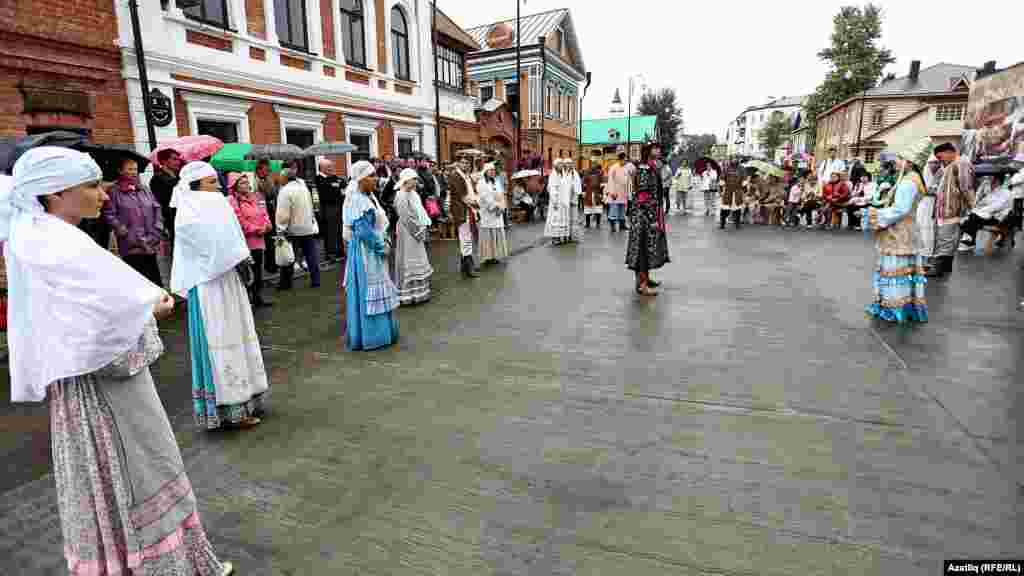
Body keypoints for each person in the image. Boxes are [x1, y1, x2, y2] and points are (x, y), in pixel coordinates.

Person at [2, 148, 234, 575]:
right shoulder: (54, 240)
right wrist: (150, 310)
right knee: (134, 475)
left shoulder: (44, 235)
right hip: (101, 391)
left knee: (131, 474)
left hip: (85, 384)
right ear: (55, 193)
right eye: (91, 186)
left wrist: (141, 305)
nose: (103, 196)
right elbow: (92, 325)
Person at [171, 162, 269, 430]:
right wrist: (239, 257)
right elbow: (215, 247)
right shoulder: (191, 213)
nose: (218, 187)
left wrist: (240, 258)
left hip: (227, 280)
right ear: (196, 186)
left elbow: (231, 239)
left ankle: (249, 397)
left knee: (238, 335)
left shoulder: (213, 206)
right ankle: (231, 407)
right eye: (212, 182)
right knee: (221, 340)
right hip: (209, 286)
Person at [864, 137, 930, 324]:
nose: (897, 162)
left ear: (909, 162)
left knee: (895, 269)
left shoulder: (909, 181)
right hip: (907, 229)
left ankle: (895, 308)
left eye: (900, 158)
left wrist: (876, 214)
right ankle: (901, 306)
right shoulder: (915, 179)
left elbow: (900, 209)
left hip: (899, 231)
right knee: (903, 270)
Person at [342, 161, 399, 350]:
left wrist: (386, 240)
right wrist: (381, 245)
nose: (375, 179)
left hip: (373, 249)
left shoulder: (369, 197)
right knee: (370, 288)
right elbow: (363, 231)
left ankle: (382, 332)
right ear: (361, 179)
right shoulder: (358, 199)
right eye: (372, 176)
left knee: (378, 286)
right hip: (367, 253)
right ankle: (372, 335)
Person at [102, 157, 165, 286]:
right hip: (131, 242)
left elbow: (156, 207)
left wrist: (158, 227)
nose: (133, 172)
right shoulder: (114, 191)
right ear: (120, 170)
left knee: (155, 278)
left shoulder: (144, 189)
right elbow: (109, 214)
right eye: (130, 169)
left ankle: (161, 302)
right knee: (137, 279)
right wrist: (121, 229)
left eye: (135, 169)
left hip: (150, 239)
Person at [626, 144, 670, 295]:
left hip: (646, 213)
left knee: (648, 248)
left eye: (659, 148)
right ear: (648, 152)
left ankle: (646, 279)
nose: (659, 151)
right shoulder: (645, 169)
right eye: (655, 148)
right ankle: (642, 285)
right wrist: (652, 218)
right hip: (643, 216)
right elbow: (643, 197)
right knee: (643, 251)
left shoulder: (650, 166)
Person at [227, 172, 273, 307]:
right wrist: (255, 229)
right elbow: (239, 220)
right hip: (244, 242)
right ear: (234, 186)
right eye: (242, 183)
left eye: (247, 182)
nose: (246, 185)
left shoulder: (255, 197)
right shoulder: (231, 200)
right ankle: (245, 301)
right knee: (246, 272)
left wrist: (267, 225)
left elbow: (264, 213)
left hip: (259, 241)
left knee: (258, 270)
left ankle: (257, 297)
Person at [931, 142, 976, 277]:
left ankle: (939, 268)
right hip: (946, 208)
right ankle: (945, 267)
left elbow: (966, 187)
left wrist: (972, 207)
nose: (940, 161)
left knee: (945, 238)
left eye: (940, 157)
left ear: (949, 152)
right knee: (946, 237)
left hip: (952, 208)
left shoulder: (961, 163)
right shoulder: (952, 165)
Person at [392, 168, 434, 305]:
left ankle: (419, 292)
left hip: (416, 230)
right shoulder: (401, 195)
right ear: (406, 180)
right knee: (408, 258)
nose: (416, 182)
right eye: (414, 179)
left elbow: (419, 211)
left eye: (416, 179)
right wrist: (417, 231)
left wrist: (423, 225)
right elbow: (406, 217)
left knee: (417, 258)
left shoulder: (413, 193)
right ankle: (408, 295)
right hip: (407, 231)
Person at [276, 167, 321, 290]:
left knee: (288, 255)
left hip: (292, 228)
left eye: (281, 176)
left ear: (285, 177)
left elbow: (283, 213)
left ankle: (286, 283)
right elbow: (311, 206)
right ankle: (316, 280)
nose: (279, 179)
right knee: (311, 255)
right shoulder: (303, 188)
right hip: (307, 226)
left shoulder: (285, 191)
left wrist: (280, 228)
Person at [958, 172, 1015, 248]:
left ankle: (970, 240)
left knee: (973, 218)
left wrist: (980, 211)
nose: (990, 182)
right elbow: (982, 202)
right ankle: (970, 240)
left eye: (993, 181)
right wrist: (977, 206)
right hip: (987, 214)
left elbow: (997, 207)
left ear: (999, 181)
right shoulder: (993, 191)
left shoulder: (1006, 193)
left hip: (998, 217)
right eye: (991, 181)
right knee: (972, 217)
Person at [449, 155, 480, 278]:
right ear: (458, 163)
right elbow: (463, 196)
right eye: (463, 163)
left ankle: (465, 266)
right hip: (462, 211)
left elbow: (472, 192)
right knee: (465, 238)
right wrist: (477, 204)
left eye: (467, 163)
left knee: (466, 238)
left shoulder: (466, 176)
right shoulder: (456, 176)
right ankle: (468, 267)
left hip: (468, 210)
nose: (465, 165)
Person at [478, 163, 510, 264]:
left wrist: (502, 207)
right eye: (490, 170)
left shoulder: (496, 182)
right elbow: (485, 197)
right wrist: (495, 207)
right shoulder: (481, 183)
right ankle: (487, 257)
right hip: (488, 213)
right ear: (485, 172)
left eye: (493, 170)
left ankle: (495, 255)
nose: (492, 172)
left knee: (496, 236)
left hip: (497, 213)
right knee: (488, 236)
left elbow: (501, 196)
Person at [254, 159, 280, 274]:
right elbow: (263, 194)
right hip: (260, 213)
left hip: (270, 211)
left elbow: (273, 194)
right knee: (263, 241)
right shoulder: (254, 181)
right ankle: (265, 266)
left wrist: (270, 182)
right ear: (259, 170)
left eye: (268, 169)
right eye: (266, 169)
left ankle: (272, 265)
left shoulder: (268, 180)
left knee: (271, 239)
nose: (268, 171)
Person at [316, 158, 344, 261]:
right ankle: (330, 253)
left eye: (331, 166)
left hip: (338, 207)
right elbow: (326, 192)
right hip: (328, 208)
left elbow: (342, 185)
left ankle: (340, 251)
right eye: (329, 167)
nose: (331, 168)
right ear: (322, 168)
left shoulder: (334, 177)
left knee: (339, 230)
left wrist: (336, 186)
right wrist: (336, 187)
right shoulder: (319, 178)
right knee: (330, 231)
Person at [545, 159, 572, 244]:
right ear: (555, 165)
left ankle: (562, 236)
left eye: (561, 164)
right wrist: (555, 201)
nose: (561, 166)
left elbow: (566, 186)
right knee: (555, 220)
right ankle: (555, 238)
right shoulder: (553, 175)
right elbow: (551, 189)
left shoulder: (562, 174)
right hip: (556, 202)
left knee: (562, 220)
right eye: (559, 164)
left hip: (563, 201)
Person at [605, 149, 629, 232]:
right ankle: (613, 226)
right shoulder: (613, 168)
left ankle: (622, 225)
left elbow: (627, 180)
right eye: (625, 160)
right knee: (614, 210)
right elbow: (610, 181)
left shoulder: (626, 168)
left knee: (622, 209)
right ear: (620, 159)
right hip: (615, 192)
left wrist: (628, 192)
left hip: (623, 192)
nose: (626, 161)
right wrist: (612, 192)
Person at [583, 151, 605, 228]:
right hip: (589, 192)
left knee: (598, 209)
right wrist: (584, 192)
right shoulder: (586, 172)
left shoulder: (599, 173)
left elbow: (602, 183)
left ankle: (598, 223)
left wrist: (601, 193)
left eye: (595, 163)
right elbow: (584, 182)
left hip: (597, 192)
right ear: (590, 164)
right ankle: (587, 223)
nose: (593, 165)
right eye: (592, 163)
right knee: (588, 209)